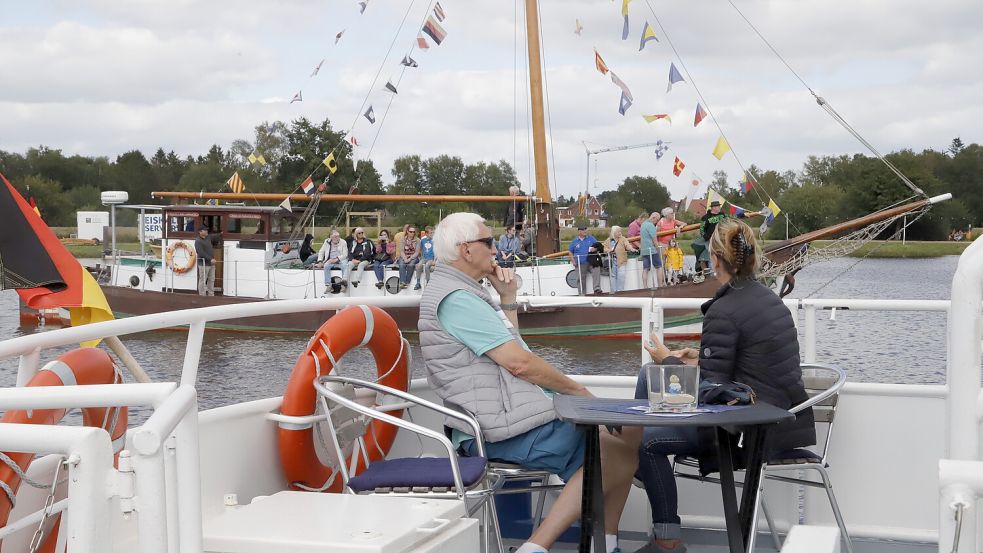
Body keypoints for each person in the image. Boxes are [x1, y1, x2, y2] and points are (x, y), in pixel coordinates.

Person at [418, 212, 640, 553]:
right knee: (617, 448)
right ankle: (539, 546)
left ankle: (604, 544)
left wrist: (507, 297)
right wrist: (582, 393)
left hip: (506, 418)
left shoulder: (463, 291)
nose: (495, 250)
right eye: (488, 242)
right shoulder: (457, 299)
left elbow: (513, 349)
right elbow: (520, 363)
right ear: (465, 250)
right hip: (495, 431)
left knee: (624, 437)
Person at [631, 218, 816, 553]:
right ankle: (638, 465)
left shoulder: (724, 310)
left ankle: (667, 539)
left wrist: (667, 360)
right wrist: (693, 359)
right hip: (775, 418)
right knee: (647, 376)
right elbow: (746, 369)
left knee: (646, 443)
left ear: (715, 259)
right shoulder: (770, 300)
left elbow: (710, 391)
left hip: (745, 432)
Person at [693, 200, 728, 274]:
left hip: (721, 238)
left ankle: (723, 270)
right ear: (713, 208)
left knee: (722, 254)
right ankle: (713, 272)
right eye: (718, 206)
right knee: (712, 256)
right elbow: (702, 229)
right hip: (710, 239)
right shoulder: (705, 218)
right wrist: (706, 237)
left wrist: (742, 215)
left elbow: (731, 219)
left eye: (719, 206)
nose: (719, 208)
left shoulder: (723, 215)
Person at [568, 224, 602, 295]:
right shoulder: (574, 241)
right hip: (581, 263)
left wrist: (595, 248)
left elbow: (599, 246)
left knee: (596, 270)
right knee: (580, 278)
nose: (585, 231)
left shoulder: (591, 238)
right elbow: (570, 252)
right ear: (579, 231)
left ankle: (597, 289)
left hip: (592, 261)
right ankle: (582, 293)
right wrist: (573, 261)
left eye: (585, 229)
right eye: (583, 230)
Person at [607, 225, 636, 293]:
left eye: (620, 231)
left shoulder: (623, 239)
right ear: (614, 232)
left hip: (621, 260)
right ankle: (614, 291)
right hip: (612, 261)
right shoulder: (609, 240)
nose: (620, 233)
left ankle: (620, 291)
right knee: (613, 276)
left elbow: (627, 245)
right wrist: (609, 250)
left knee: (621, 276)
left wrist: (631, 249)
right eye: (618, 232)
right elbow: (604, 247)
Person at [639, 212, 663, 289]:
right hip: (652, 250)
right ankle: (660, 286)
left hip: (644, 250)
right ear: (653, 218)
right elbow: (654, 240)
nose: (657, 222)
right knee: (659, 267)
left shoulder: (643, 224)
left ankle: (645, 287)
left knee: (645, 269)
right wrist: (658, 250)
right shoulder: (651, 226)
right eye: (657, 220)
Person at [194, 226, 215, 296]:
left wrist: (221, 233)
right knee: (203, 280)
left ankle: (211, 294)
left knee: (211, 279)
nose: (206, 231)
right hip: (203, 264)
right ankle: (202, 295)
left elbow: (215, 236)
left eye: (206, 230)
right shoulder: (198, 241)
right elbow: (200, 252)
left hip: (211, 264)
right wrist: (210, 259)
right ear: (200, 232)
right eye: (205, 230)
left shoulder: (208, 238)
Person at [414, 225, 436, 290]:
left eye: (433, 233)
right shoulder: (423, 240)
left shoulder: (434, 240)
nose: (432, 234)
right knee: (419, 266)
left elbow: (437, 252)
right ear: (426, 233)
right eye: (430, 233)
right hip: (424, 258)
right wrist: (420, 258)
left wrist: (435, 261)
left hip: (431, 258)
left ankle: (428, 282)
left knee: (427, 266)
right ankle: (418, 283)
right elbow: (421, 249)